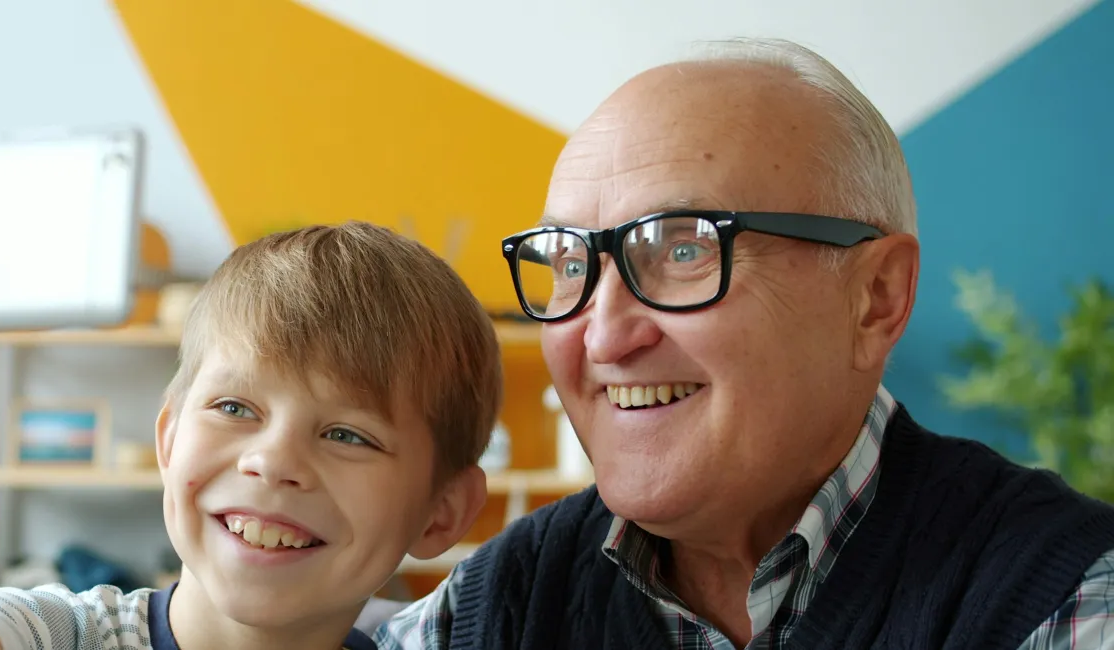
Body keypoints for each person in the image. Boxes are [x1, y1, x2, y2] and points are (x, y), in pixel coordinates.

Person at [375, 37, 1114, 649]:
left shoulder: (1062, 599)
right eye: (571, 264)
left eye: (684, 250)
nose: (603, 333)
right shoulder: (503, 601)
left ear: (875, 299)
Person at [0, 113, 502, 650]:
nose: (272, 461)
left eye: (348, 433)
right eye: (235, 407)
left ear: (442, 512)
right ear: (169, 434)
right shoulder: (55, 634)